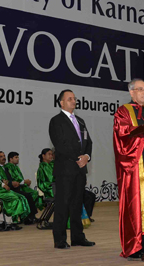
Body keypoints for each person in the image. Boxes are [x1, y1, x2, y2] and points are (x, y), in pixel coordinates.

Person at [113, 79, 144, 259]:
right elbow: (123, 135)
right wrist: (143, 131)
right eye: (140, 90)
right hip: (133, 167)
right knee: (134, 206)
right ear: (131, 92)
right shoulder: (123, 111)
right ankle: (134, 247)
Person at [49, 89, 94, 249]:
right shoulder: (56, 121)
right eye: (69, 99)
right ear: (61, 102)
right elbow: (60, 145)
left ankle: (78, 237)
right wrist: (78, 158)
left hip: (80, 170)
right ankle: (59, 239)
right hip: (65, 170)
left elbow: (89, 142)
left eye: (74, 99)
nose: (73, 101)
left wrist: (86, 156)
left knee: (77, 204)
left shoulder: (80, 121)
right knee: (63, 204)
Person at [4, 151, 40, 224]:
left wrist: (24, 182)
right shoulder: (8, 167)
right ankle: (27, 217)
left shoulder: (15, 167)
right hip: (14, 188)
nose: (18, 159)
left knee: (35, 193)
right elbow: (14, 180)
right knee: (28, 195)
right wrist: (24, 182)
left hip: (20, 186)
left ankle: (31, 216)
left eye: (18, 157)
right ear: (10, 159)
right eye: (16, 157)